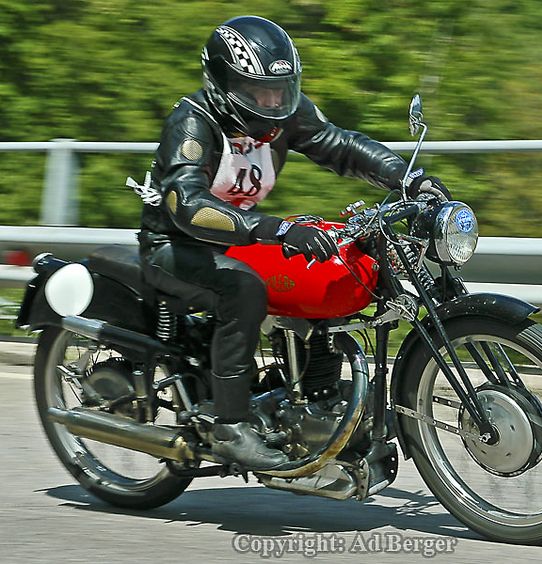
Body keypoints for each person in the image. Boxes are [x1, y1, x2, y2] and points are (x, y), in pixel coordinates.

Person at [136, 15, 450, 471]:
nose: (272, 102)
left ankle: (319, 395)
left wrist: (408, 178)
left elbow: (338, 144)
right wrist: (277, 230)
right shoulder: (191, 123)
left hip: (241, 241)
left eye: (280, 91)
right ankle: (229, 423)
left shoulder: (283, 116)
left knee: (331, 265)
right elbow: (188, 204)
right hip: (175, 247)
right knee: (241, 289)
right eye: (259, 92)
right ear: (225, 84)